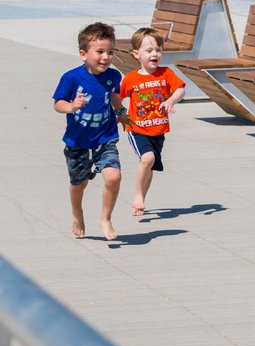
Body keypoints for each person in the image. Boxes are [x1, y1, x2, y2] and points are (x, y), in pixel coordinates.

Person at [52, 22, 128, 241]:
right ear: (83, 54)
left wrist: (121, 112)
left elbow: (112, 95)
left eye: (110, 52)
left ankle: (105, 218)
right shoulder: (72, 78)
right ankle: (77, 213)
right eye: (100, 52)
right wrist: (72, 106)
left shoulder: (113, 76)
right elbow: (58, 104)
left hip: (105, 136)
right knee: (79, 183)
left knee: (113, 176)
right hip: (77, 141)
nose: (106, 57)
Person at [119, 27, 186, 217]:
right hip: (137, 128)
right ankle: (138, 195)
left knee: (150, 164)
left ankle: (140, 201)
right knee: (147, 158)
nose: (154, 54)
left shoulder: (166, 74)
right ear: (136, 54)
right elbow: (117, 98)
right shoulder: (130, 79)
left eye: (158, 50)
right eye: (149, 51)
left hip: (158, 130)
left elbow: (180, 89)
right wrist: (118, 115)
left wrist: (170, 101)